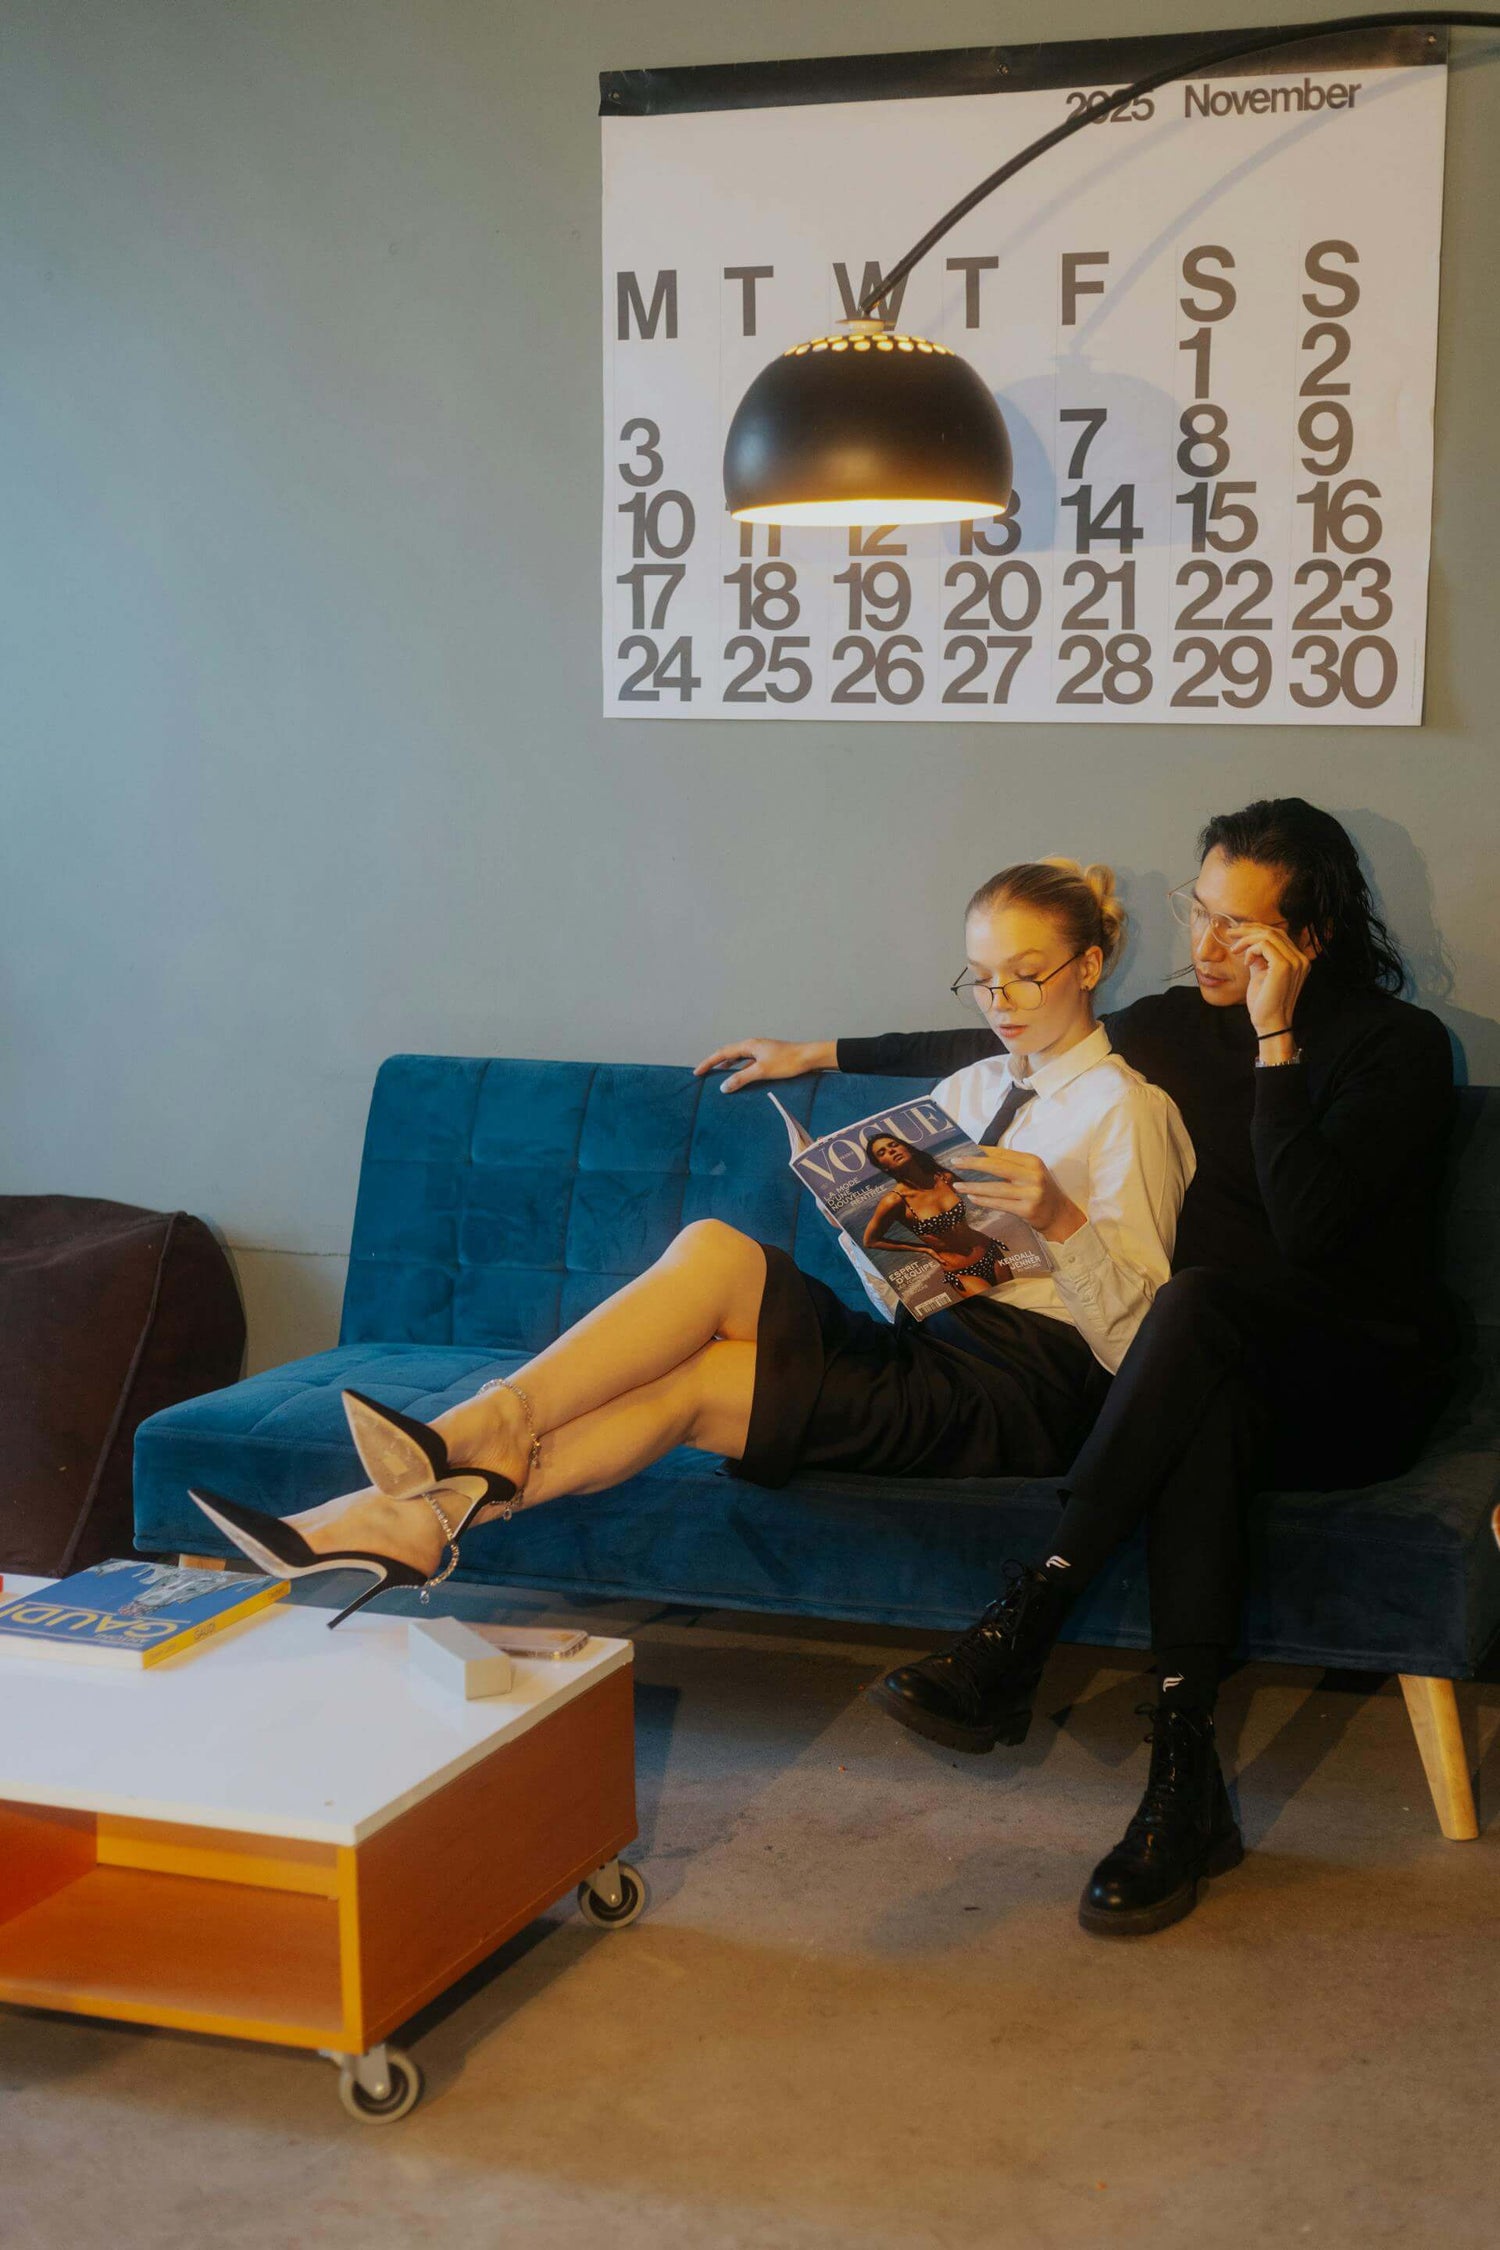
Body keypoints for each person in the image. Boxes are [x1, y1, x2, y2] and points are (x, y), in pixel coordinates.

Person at [698, 798, 1459, 1937]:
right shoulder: (1169, 1023)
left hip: (1356, 1375)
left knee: (1196, 1318)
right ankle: (1180, 1783)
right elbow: (1014, 1037)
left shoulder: (1396, 1050)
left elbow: (1312, 1237)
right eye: (1198, 917)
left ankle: (1032, 1614)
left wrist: (1276, 1036)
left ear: (1312, 937)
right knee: (1194, 1361)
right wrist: (822, 1053)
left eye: (1237, 933)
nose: (1205, 951)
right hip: (1207, 1365)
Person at [191, 859, 1193, 1694]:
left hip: (1026, 1390)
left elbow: (1146, 1349)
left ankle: (432, 1479)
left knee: (700, 1386)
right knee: (716, 1244)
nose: (1001, 1002)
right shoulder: (968, 1087)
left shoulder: (1132, 1112)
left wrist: (1058, 1217)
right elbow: (916, 1278)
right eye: (980, 979)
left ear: (1090, 965)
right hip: (929, 1340)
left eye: (1025, 975)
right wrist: (872, 1234)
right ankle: (438, 1492)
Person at [860, 1134, 1017, 1296]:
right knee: (998, 1309)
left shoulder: (944, 1177)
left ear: (907, 1148)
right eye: (882, 1153)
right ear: (884, 1167)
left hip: (988, 1250)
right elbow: (870, 1241)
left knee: (1019, 1302)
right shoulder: (894, 1201)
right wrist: (924, 1249)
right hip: (962, 1272)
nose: (891, 1151)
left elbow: (976, 1192)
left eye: (893, 1145)